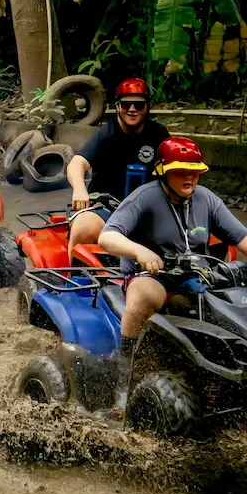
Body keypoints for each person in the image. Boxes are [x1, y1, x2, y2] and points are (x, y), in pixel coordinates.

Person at [98, 137, 247, 375]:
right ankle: (125, 372)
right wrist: (140, 251)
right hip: (153, 277)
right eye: (180, 171)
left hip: (199, 279)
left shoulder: (207, 199)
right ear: (163, 172)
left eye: (194, 171)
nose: (189, 177)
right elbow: (107, 237)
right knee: (144, 296)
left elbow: (242, 238)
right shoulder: (144, 197)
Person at [67, 78, 169, 259]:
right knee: (83, 228)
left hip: (148, 208)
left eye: (138, 105)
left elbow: (172, 171)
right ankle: (74, 282)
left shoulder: (159, 134)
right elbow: (77, 163)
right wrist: (80, 189)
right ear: (117, 106)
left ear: (147, 106)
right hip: (108, 205)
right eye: (126, 104)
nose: (132, 109)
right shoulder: (107, 133)